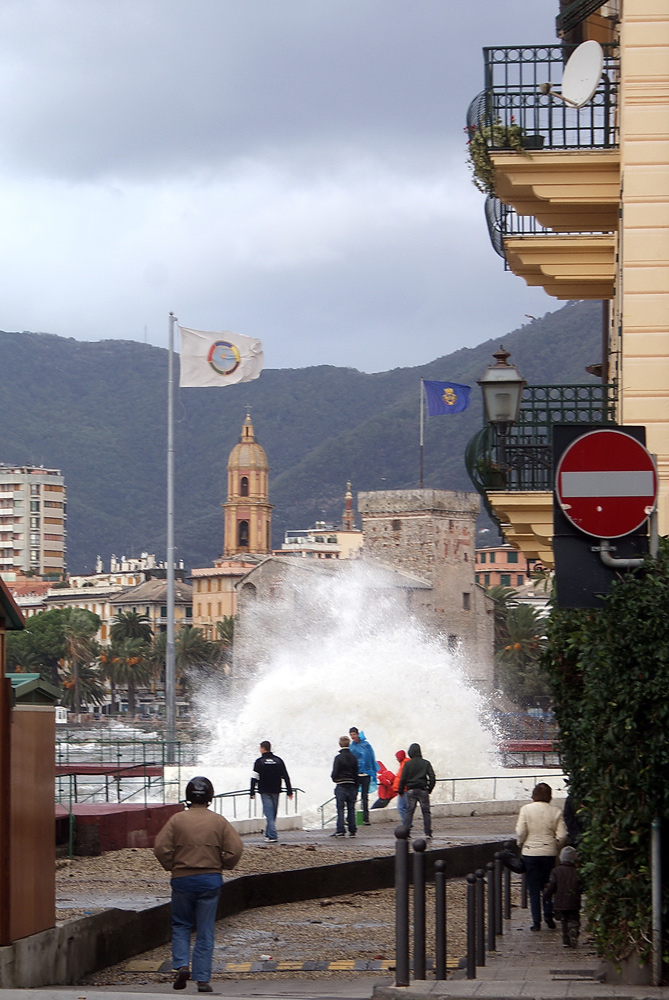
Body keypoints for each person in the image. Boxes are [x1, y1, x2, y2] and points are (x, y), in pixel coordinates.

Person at [154, 775, 243, 993]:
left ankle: (182, 964)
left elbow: (160, 847)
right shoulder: (218, 821)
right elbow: (236, 849)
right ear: (210, 797)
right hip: (210, 880)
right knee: (205, 929)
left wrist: (172, 865)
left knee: (181, 924)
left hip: (182, 879)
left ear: (188, 797)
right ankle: (202, 979)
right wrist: (222, 864)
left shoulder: (176, 820)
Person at [515, 781, 568, 932]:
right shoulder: (556, 811)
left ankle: (536, 922)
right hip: (549, 853)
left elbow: (520, 832)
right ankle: (548, 916)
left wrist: (521, 843)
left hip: (531, 853)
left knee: (533, 888)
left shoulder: (526, 809)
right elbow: (563, 835)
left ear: (534, 795)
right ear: (550, 796)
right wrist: (555, 845)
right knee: (549, 886)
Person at [250, 740, 293, 843]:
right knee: (273, 813)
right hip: (276, 790)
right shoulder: (278, 761)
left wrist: (252, 792)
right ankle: (268, 834)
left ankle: (272, 835)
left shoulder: (259, 761)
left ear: (262, 748)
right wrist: (289, 791)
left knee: (269, 813)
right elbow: (286, 776)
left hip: (264, 791)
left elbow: (254, 778)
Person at [543, 845, 582, 948]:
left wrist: (546, 895)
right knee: (574, 917)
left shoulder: (556, 871)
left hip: (560, 901)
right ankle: (574, 929)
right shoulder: (577, 871)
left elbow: (552, 885)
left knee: (564, 920)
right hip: (574, 900)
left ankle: (566, 939)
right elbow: (581, 885)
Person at [398, 742, 436, 839]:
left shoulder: (408, 764)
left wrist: (401, 790)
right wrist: (429, 789)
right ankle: (428, 832)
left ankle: (406, 832)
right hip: (423, 790)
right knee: (426, 812)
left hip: (410, 790)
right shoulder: (426, 763)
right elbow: (432, 777)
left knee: (409, 812)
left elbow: (403, 778)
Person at [348, 726, 378, 825]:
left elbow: (371, 757)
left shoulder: (366, 745)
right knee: (354, 796)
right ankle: (349, 818)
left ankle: (366, 818)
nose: (352, 736)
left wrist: (372, 771)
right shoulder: (351, 747)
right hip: (356, 775)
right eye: (351, 735)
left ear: (357, 734)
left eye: (354, 734)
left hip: (366, 774)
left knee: (365, 797)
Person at [331, 735, 358, 837]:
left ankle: (341, 830)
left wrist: (335, 779)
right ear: (349, 744)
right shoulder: (353, 757)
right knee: (351, 808)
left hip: (341, 785)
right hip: (351, 785)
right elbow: (356, 773)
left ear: (340, 744)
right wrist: (356, 785)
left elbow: (335, 772)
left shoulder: (338, 758)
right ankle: (352, 830)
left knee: (340, 808)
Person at [392, 749, 409, 825]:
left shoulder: (404, 764)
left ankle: (406, 823)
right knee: (405, 807)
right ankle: (407, 822)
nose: (396, 759)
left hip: (403, 789)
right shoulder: (404, 763)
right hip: (404, 789)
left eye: (397, 757)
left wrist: (399, 789)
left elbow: (402, 778)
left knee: (401, 807)